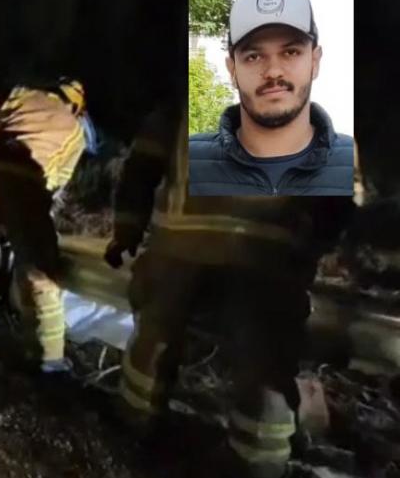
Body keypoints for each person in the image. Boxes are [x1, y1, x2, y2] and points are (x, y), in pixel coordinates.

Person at [105, 100, 353, 478]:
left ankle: (133, 425)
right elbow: (338, 195)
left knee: (155, 334)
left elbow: (141, 168)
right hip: (268, 257)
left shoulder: (188, 96)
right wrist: (310, 250)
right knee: (266, 358)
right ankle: (257, 460)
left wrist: (126, 231)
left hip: (180, 245)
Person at [0, 79, 90, 373]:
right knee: (39, 272)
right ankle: (48, 359)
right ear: (75, 105)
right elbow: (57, 182)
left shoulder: (18, 95)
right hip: (27, 185)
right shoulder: (75, 130)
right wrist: (26, 217)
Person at [189, 0, 353, 195]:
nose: (273, 72)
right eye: (254, 56)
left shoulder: (358, 166)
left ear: (315, 62)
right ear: (232, 69)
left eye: (291, 52)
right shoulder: (187, 164)